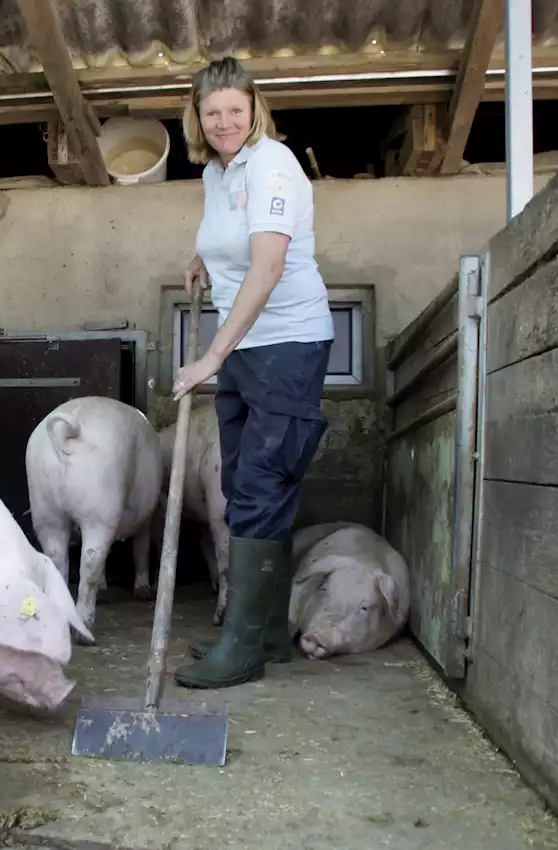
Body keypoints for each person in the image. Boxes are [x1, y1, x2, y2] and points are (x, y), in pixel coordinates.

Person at [169, 57, 335, 690]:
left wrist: (211, 355)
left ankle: (244, 647)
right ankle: (264, 631)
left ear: (254, 109)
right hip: (246, 346)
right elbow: (234, 240)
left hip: (286, 345)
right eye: (212, 113)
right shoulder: (219, 171)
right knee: (242, 481)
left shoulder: (273, 164)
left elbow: (267, 266)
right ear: (198, 117)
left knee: (265, 480)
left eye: (236, 110)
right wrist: (202, 257)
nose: (224, 122)